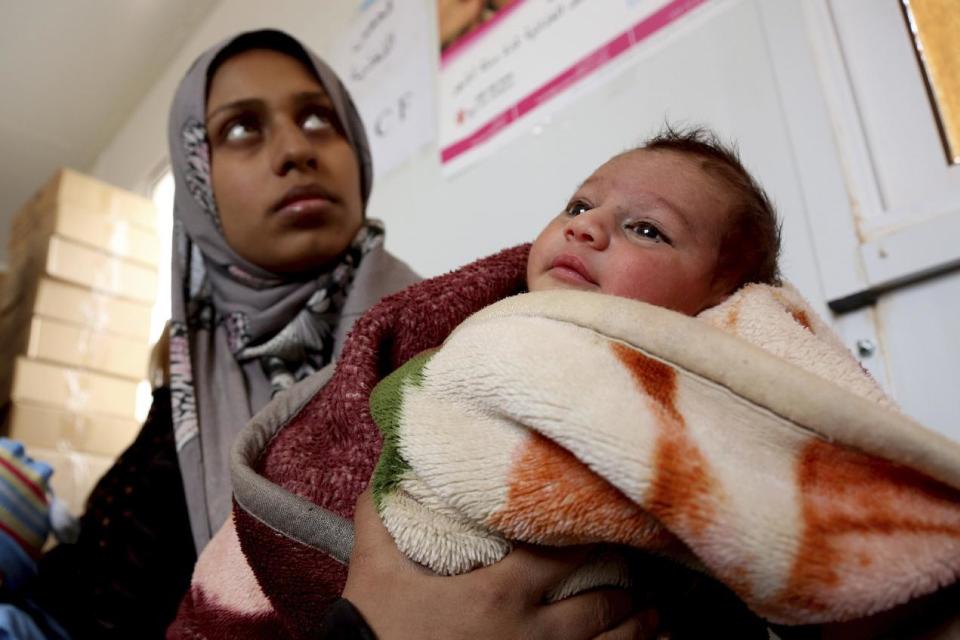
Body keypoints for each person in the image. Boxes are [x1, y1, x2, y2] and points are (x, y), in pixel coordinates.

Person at [31, 29, 642, 640]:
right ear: (197, 182)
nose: (296, 149)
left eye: (320, 118)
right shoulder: (180, 403)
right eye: (242, 128)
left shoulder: (467, 339)